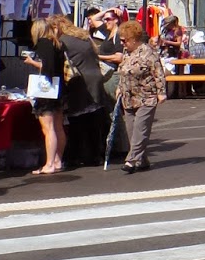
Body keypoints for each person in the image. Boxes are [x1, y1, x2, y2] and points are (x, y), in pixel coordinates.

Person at [52, 15, 110, 166]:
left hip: (80, 82)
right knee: (94, 120)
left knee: (78, 121)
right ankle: (95, 155)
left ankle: (77, 156)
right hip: (95, 78)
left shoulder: (63, 41)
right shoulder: (83, 36)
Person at [114, 19, 169, 173]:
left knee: (140, 129)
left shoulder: (148, 53)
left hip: (146, 96)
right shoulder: (127, 53)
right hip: (129, 97)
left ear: (133, 39)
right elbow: (123, 72)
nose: (122, 43)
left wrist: (161, 92)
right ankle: (142, 160)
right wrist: (119, 87)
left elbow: (158, 73)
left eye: (124, 40)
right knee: (132, 131)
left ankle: (131, 161)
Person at [23, 17, 68, 174]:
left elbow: (47, 67)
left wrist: (32, 62)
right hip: (59, 88)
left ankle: (49, 164)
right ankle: (57, 160)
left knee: (48, 128)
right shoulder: (57, 43)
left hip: (46, 90)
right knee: (58, 127)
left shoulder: (44, 43)